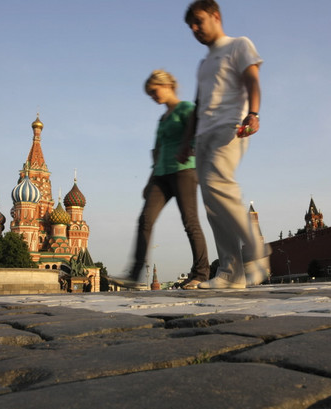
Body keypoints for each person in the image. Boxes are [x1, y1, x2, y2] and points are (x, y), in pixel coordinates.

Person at [180, 0, 271, 289]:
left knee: (219, 184)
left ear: (215, 17)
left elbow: (252, 79)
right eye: (191, 26)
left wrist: (253, 113)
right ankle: (231, 273)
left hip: (231, 128)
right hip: (203, 136)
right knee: (211, 202)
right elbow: (197, 105)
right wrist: (188, 141)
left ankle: (256, 250)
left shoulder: (239, 45)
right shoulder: (204, 64)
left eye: (199, 21)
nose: (195, 29)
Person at [111, 69, 210, 290]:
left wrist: (191, 151)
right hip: (160, 175)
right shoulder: (162, 119)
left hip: (184, 172)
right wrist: (149, 181)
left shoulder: (186, 109)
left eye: (154, 92)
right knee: (145, 220)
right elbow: (157, 151)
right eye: (150, 94)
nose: (153, 97)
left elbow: (198, 133)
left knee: (190, 222)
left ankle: (201, 273)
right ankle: (134, 275)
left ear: (167, 86)